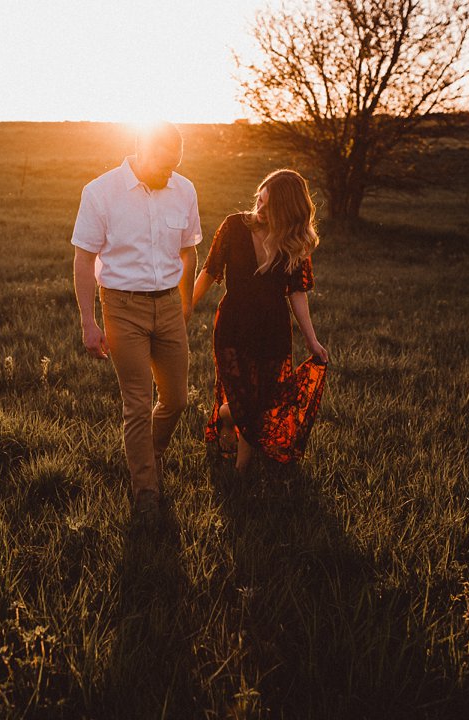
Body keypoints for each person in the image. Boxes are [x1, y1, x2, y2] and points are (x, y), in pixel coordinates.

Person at [71, 122, 202, 527]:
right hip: (122, 307)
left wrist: (183, 305)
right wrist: (89, 324)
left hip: (168, 307)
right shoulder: (100, 192)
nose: (169, 173)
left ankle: (151, 452)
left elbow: (188, 252)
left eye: (175, 164)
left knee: (177, 399)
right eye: (163, 164)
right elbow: (82, 260)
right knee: (137, 402)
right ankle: (146, 492)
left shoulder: (185, 189)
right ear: (142, 151)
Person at [192, 169, 328, 475]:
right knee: (245, 397)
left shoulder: (293, 241)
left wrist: (311, 338)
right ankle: (242, 472)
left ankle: (230, 422)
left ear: (288, 211)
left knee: (261, 401)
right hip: (233, 325)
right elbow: (210, 270)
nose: (260, 210)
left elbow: (297, 292)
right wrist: (185, 307)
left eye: (269, 207)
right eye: (259, 201)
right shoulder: (234, 226)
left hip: (273, 329)